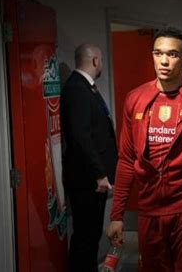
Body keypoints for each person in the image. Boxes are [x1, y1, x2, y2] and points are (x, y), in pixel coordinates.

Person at [106, 27, 182, 271]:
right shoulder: (135, 99)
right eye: (158, 53)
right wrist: (116, 215)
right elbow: (126, 159)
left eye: (172, 54)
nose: (163, 61)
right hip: (149, 212)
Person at [60, 44, 118, 272]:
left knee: (91, 234)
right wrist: (100, 173)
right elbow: (81, 137)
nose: (101, 64)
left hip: (92, 180)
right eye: (101, 60)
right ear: (95, 61)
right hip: (88, 180)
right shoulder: (77, 89)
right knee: (86, 236)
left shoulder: (86, 87)